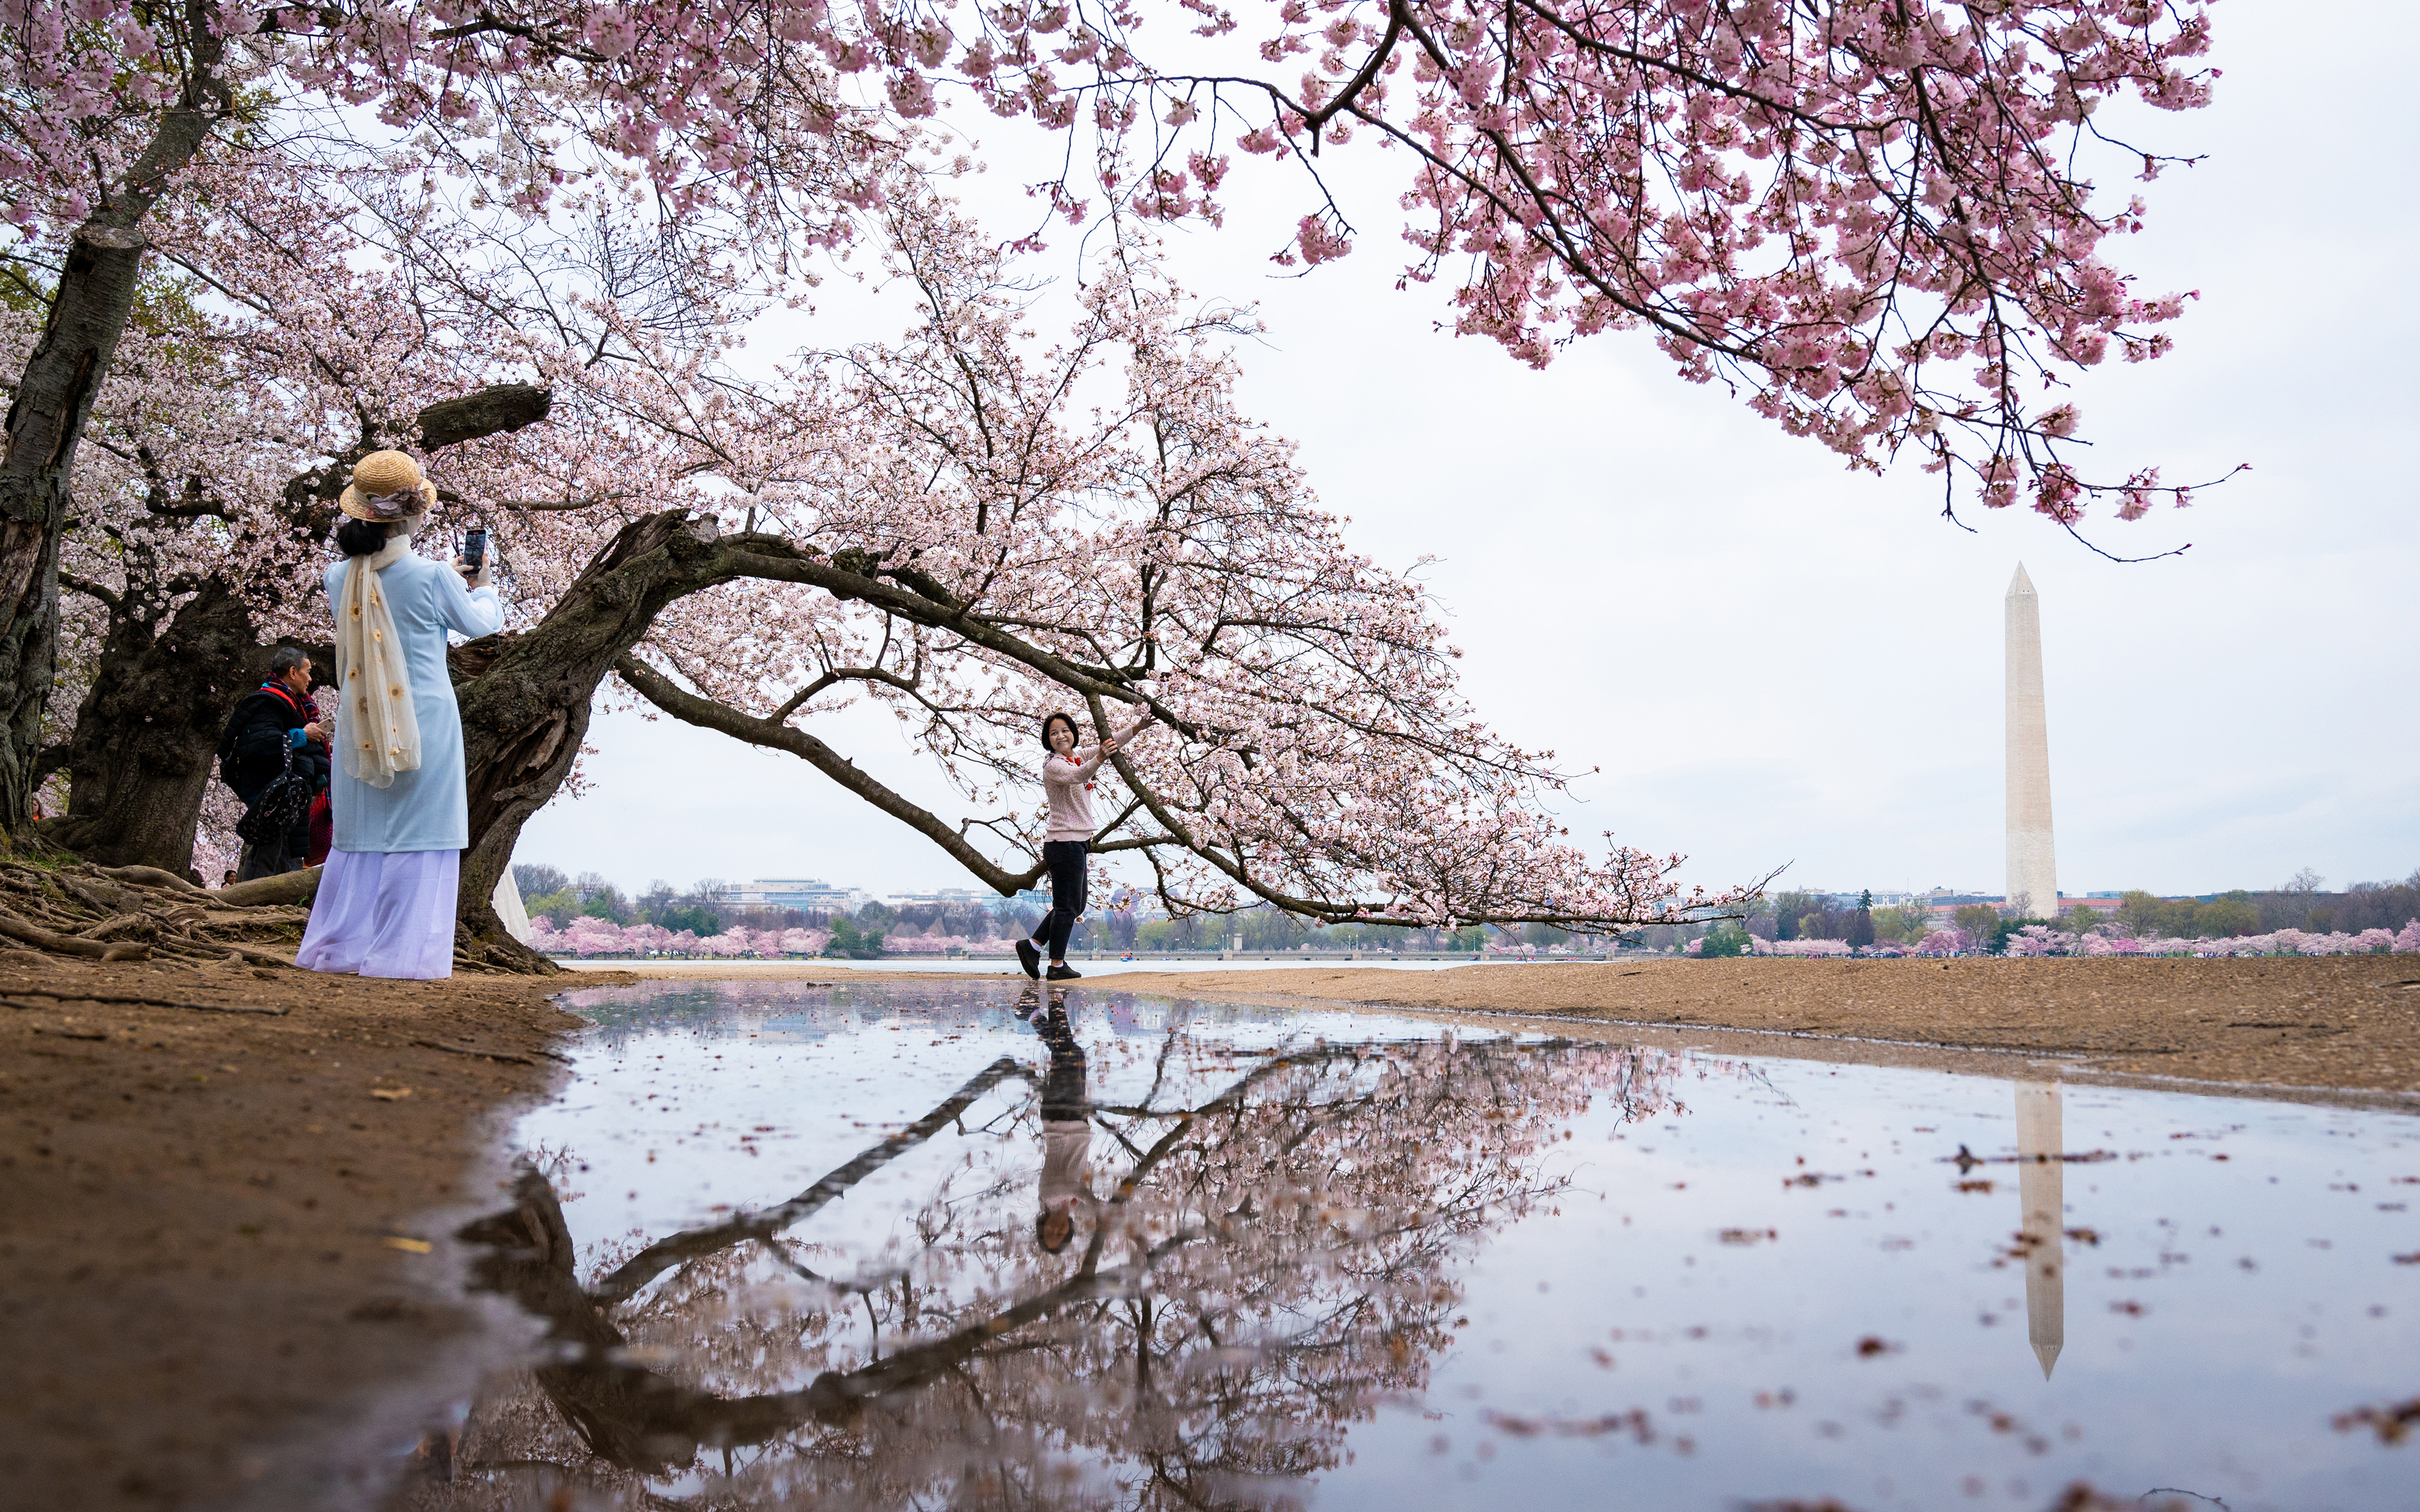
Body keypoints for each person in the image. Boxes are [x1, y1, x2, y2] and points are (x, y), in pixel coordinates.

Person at [296, 450, 502, 979]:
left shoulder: (336, 577)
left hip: (362, 718)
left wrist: (449, 580)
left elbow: (387, 592)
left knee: (360, 836)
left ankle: (341, 947)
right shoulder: (434, 577)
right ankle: (402, 955)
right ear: (414, 515)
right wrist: (481, 585)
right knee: (422, 834)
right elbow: (480, 624)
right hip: (425, 717)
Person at [1017, 707, 1154, 982]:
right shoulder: (1054, 765)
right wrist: (1100, 759)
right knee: (1067, 907)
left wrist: (1137, 728)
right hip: (1063, 843)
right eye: (1053, 733)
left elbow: (1107, 744)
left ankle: (1032, 946)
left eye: (1065, 731)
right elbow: (1079, 776)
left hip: (1077, 843)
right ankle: (1056, 965)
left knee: (1075, 906)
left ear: (1073, 733)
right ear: (1048, 739)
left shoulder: (1075, 757)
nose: (1060, 736)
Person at [217, 646, 331, 879]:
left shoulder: (290, 703)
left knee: (287, 854)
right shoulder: (268, 703)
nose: (310, 678)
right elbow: (260, 744)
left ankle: (277, 904)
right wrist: (302, 735)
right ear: (292, 672)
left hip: (289, 791)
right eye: (307, 672)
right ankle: (255, 905)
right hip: (274, 792)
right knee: (270, 852)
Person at [1027, 987, 1094, 1254]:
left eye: (1049, 1233)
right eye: (1060, 1234)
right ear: (1068, 1232)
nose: (1056, 1229)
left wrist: (1102, 1208)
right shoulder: (1074, 1203)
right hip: (1077, 1119)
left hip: (1059, 1118)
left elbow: (1072, 1184)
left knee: (1068, 1055)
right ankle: (1049, 1006)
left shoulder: (1050, 1196)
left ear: (1042, 1225)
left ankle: (1035, 1016)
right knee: (1071, 1055)